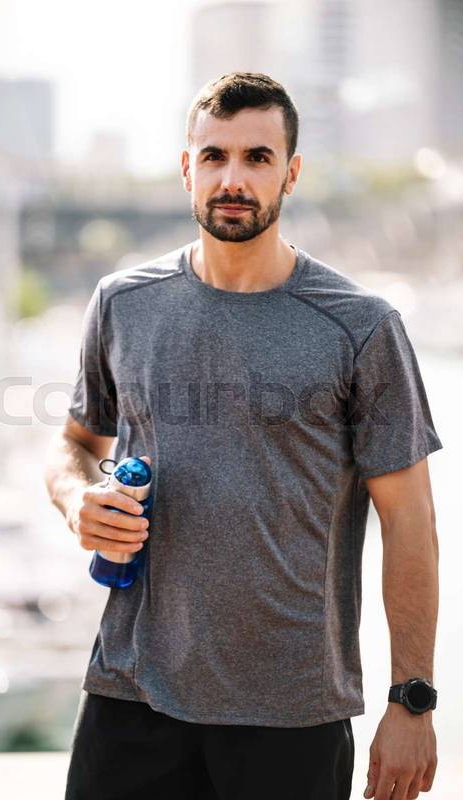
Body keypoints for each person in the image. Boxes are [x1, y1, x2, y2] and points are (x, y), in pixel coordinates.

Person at [44, 72, 442, 800]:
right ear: (186, 168)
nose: (234, 178)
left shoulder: (361, 327)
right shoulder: (123, 303)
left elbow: (410, 520)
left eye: (258, 157)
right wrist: (78, 500)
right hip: (130, 696)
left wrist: (411, 698)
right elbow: (74, 444)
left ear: (291, 173)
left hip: (291, 714)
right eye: (216, 155)